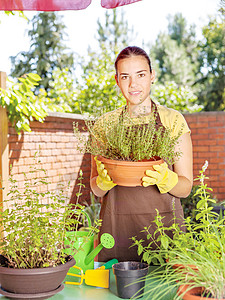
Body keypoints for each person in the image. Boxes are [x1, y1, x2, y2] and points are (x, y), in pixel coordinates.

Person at [90, 46, 193, 262]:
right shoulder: (104, 125)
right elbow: (95, 188)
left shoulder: (173, 120)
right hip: (117, 232)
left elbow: (185, 188)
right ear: (117, 80)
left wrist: (167, 179)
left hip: (164, 233)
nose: (133, 84)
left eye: (141, 75)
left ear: (152, 76)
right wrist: (103, 181)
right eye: (125, 76)